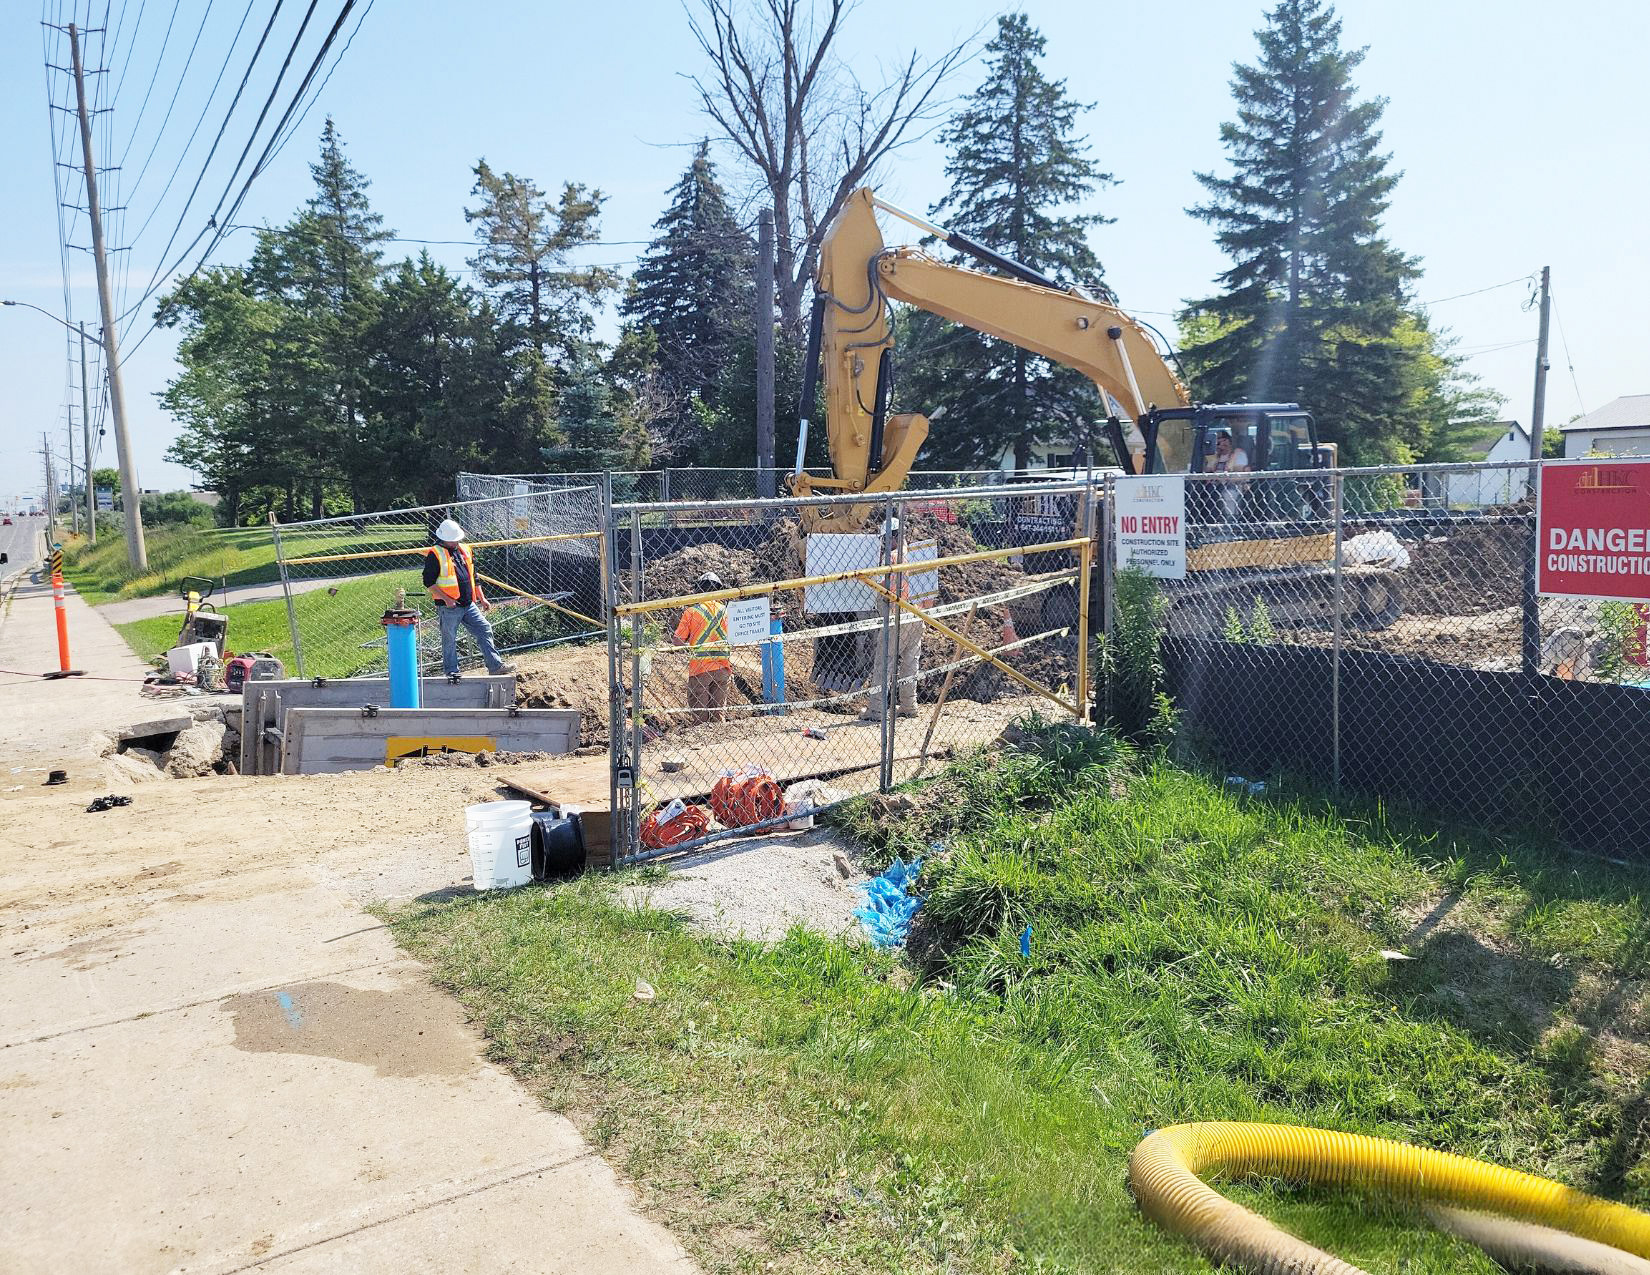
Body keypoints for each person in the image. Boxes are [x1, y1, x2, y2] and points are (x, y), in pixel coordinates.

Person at [423, 518, 515, 678]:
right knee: (449, 639)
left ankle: (495, 666)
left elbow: (474, 576)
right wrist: (446, 599)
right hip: (449, 606)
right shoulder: (435, 554)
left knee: (484, 628)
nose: (455, 542)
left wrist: (482, 598)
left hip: (468, 603)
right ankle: (452, 672)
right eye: (452, 540)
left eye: (456, 539)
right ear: (443, 539)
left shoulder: (465, 549)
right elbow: (428, 582)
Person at [861, 516, 923, 721]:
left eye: (885, 540)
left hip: (897, 614)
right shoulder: (919, 554)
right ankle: (909, 705)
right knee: (910, 662)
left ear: (893, 537)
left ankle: (877, 710)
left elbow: (885, 589)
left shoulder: (893, 558)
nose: (884, 545)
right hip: (917, 614)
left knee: (884, 661)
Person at [670, 573, 732, 724]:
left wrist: (691, 646)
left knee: (700, 716)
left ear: (698, 590)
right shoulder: (726, 611)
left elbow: (677, 641)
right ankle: (719, 740)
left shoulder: (691, 612)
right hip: (723, 666)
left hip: (700, 667)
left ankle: (702, 740)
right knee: (718, 713)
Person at [1212, 430, 1251, 520]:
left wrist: (1225, 477)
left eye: (1224, 440)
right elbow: (1209, 469)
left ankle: (1231, 520)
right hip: (1215, 485)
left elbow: (1241, 472)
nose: (1221, 443)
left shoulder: (1238, 454)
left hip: (1233, 486)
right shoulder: (1216, 456)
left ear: (1229, 441)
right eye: (1218, 441)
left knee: (1229, 494)